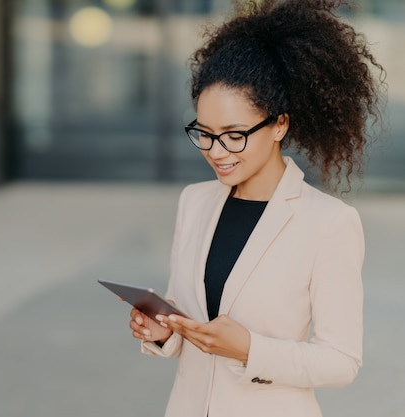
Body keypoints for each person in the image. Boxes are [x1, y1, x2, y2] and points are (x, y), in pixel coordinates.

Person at [127, 1, 386, 416]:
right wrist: (163, 332)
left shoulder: (329, 223)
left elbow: (342, 361)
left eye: (233, 135)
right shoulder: (194, 201)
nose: (216, 152)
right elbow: (191, 323)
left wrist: (251, 350)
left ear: (279, 124)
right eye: (205, 134)